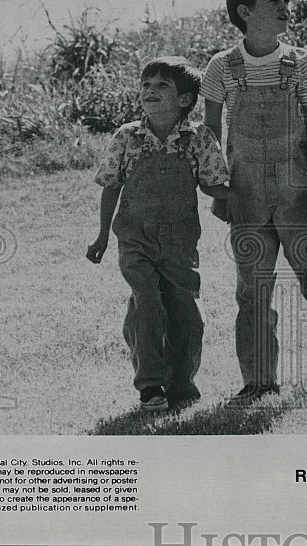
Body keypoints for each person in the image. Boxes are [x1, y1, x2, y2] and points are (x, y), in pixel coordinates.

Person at [202, 0, 307, 404]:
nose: (286, 6)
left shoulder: (302, 63)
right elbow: (210, 132)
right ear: (245, 13)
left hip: (296, 192)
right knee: (252, 289)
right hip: (245, 196)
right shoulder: (221, 68)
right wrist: (218, 190)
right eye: (274, 1)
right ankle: (259, 379)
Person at [87, 56, 230, 412]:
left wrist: (245, 196)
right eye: (146, 84)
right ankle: (150, 384)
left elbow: (213, 186)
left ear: (184, 99)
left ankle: (182, 382)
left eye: (161, 85)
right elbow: (110, 187)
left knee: (184, 310)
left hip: (180, 242)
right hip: (135, 238)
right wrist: (103, 235)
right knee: (147, 304)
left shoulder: (199, 139)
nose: (150, 91)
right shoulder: (127, 136)